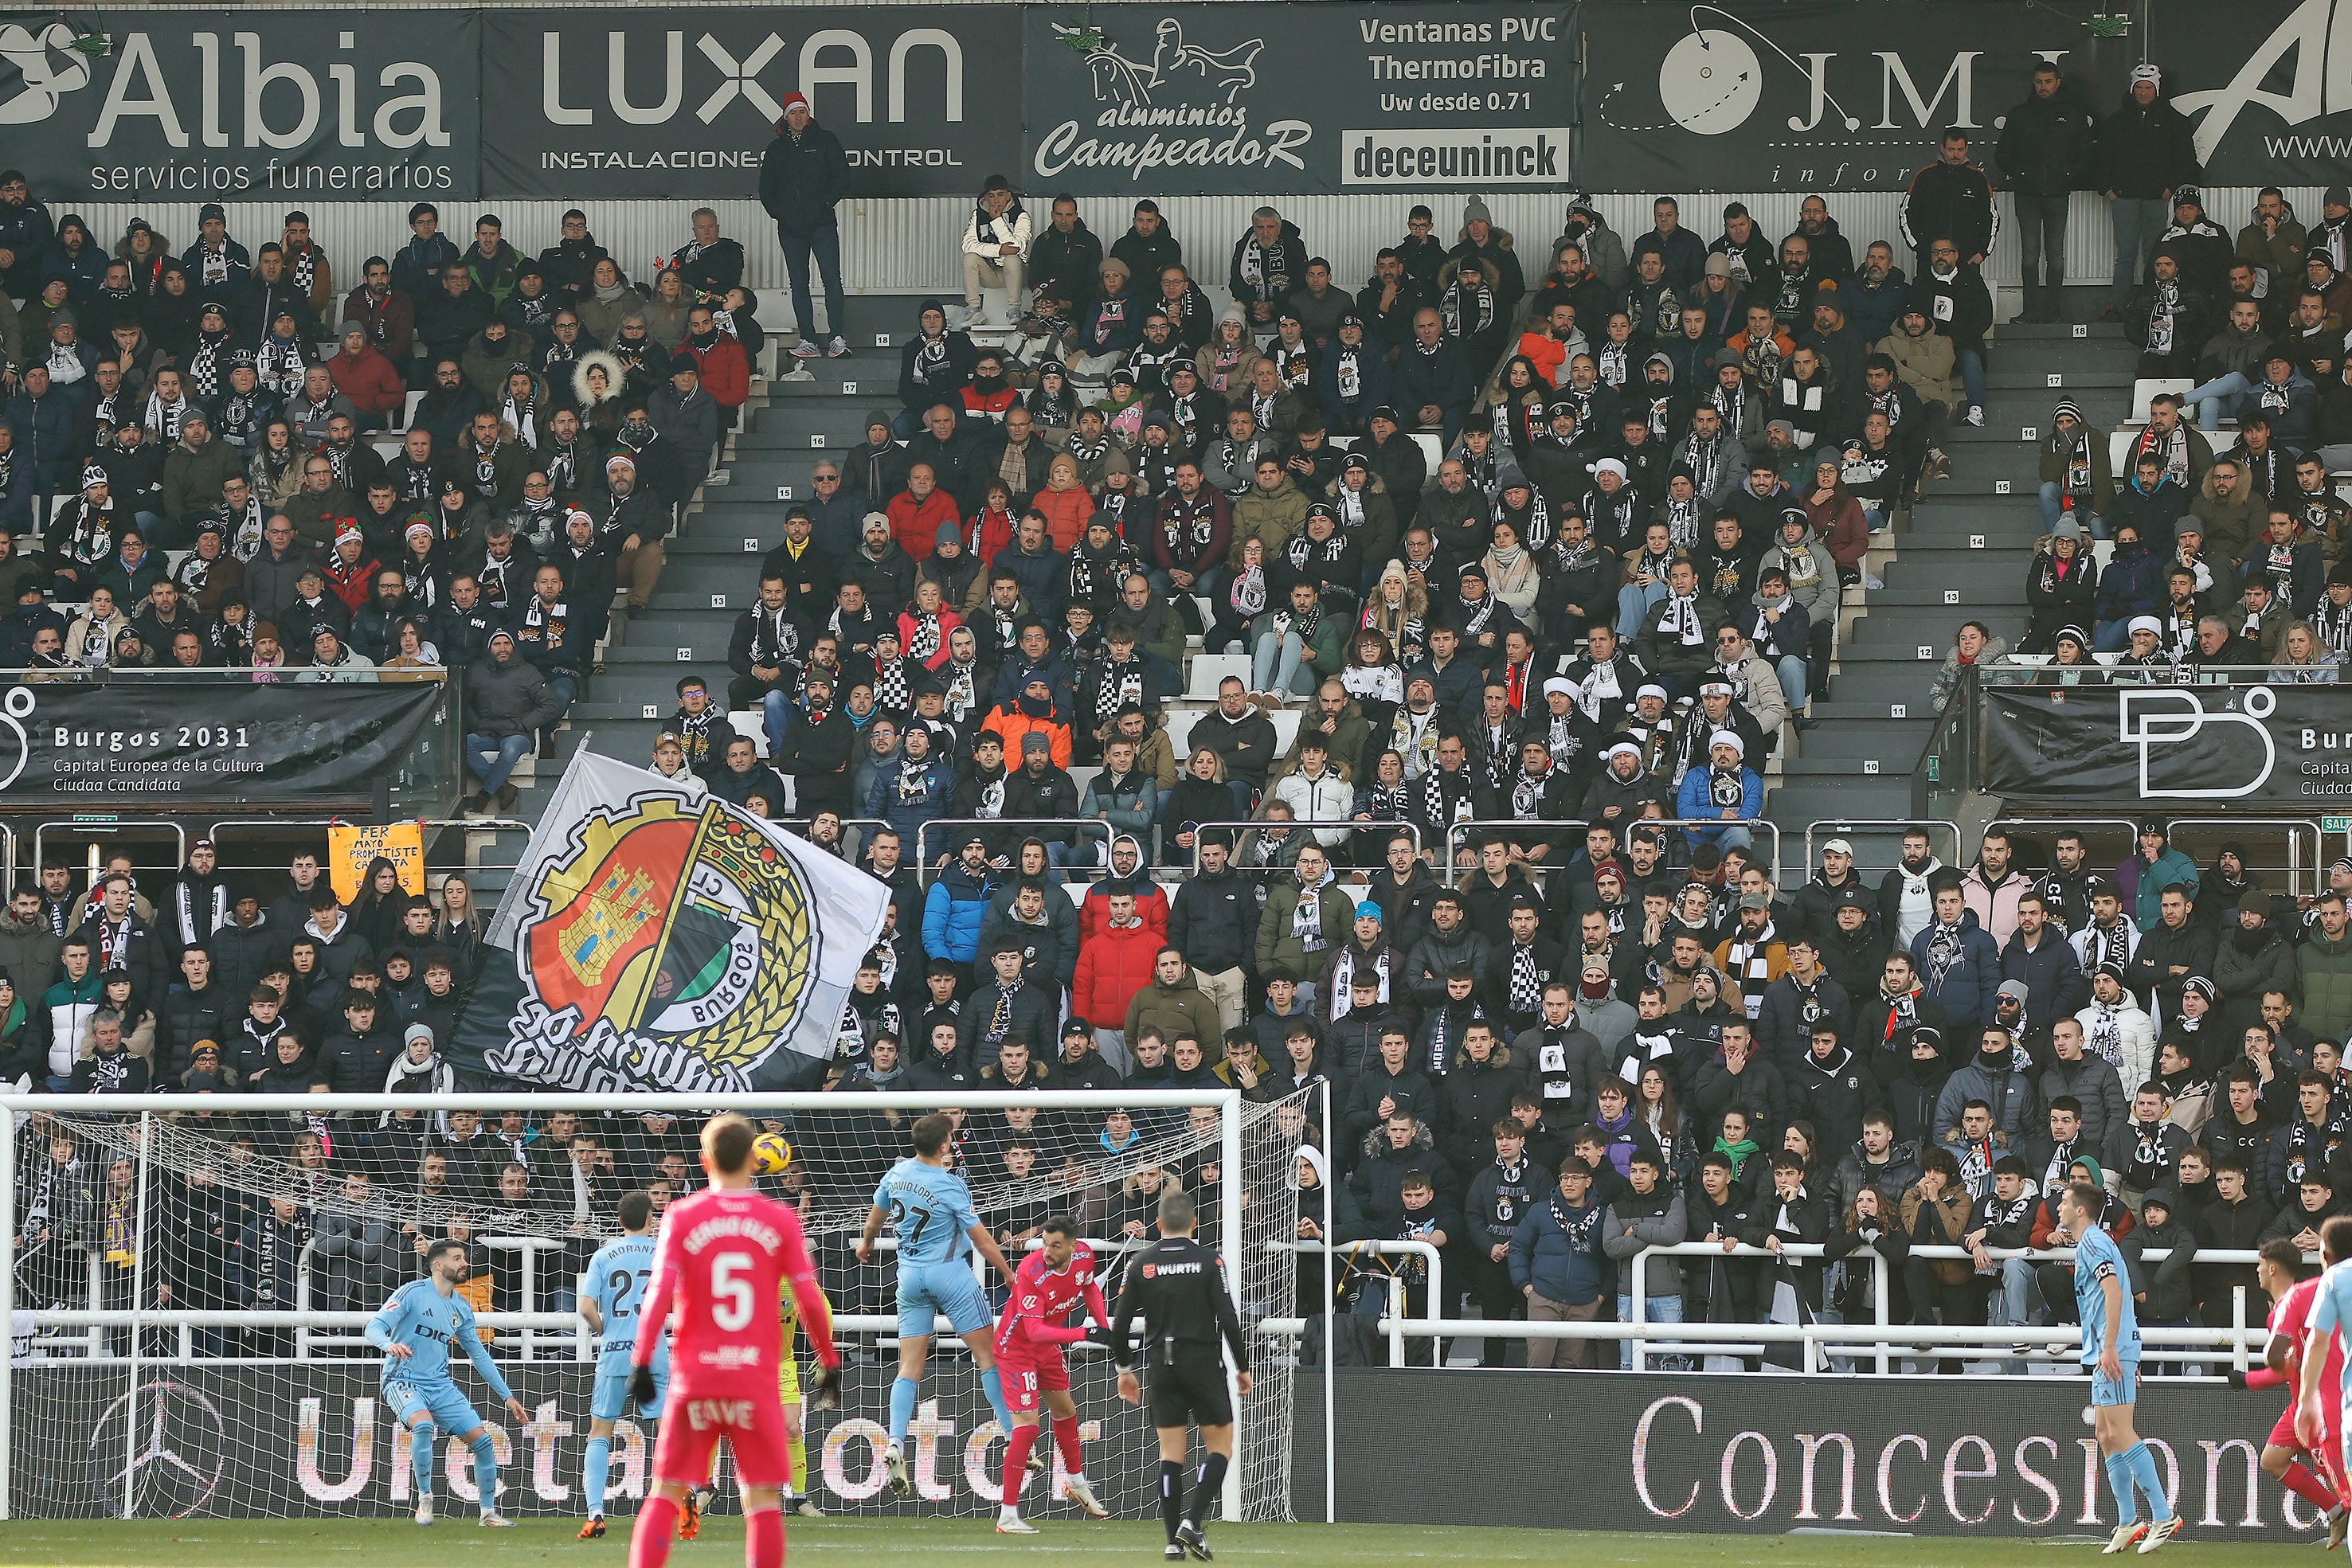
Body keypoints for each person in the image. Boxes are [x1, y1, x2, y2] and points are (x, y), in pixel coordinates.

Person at [626, 1114, 840, 1568]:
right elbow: (808, 1298)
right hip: (754, 1378)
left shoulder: (681, 1215)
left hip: (696, 1377)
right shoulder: (780, 1219)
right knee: (762, 1501)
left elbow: (657, 1296)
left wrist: (642, 1361)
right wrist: (828, 1359)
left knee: (665, 1490)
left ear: (703, 1161)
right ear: (754, 1158)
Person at [859, 1112, 1019, 1493]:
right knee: (988, 1356)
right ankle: (1014, 1436)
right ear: (945, 1145)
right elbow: (980, 1239)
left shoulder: (894, 1175)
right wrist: (1008, 1273)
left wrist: (866, 1244)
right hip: (949, 1274)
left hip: (909, 1277)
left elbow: (875, 1219)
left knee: (909, 1366)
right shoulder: (950, 1185)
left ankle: (896, 1440)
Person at [1110, 1186, 1254, 1563]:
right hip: (1202, 1362)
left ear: (1158, 1224)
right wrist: (1242, 1367)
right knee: (1220, 1447)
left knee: (1170, 1454)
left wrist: (1125, 1369)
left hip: (1161, 1364)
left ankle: (1173, 1543)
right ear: (1195, 1223)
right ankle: (1192, 1520)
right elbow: (1228, 1318)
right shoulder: (1210, 1262)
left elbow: (1121, 1324)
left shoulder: (1141, 1262)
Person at [366, 1237, 530, 1527]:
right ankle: (425, 1499)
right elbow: (374, 1326)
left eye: (464, 1258)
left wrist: (507, 1396)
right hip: (403, 1379)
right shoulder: (412, 1293)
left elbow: (478, 1355)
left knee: (483, 1442)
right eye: (457, 1258)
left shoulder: (462, 1308)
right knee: (424, 1425)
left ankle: (488, 1513)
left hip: (439, 1385)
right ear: (438, 1265)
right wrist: (388, 1344)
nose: (465, 1263)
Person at [2061, 1178, 2182, 1553]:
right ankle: (2129, 1521)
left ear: (2081, 1209)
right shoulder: (2094, 1242)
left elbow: (2113, 1291)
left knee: (2121, 1431)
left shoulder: (2094, 1242)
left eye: (2065, 1201)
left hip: (2110, 1348)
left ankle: (2164, 1516)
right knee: (2105, 1433)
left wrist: (2113, 1346)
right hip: (2107, 1348)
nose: (2059, 1207)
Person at [991, 1216, 1113, 1533]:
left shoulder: (1085, 1256)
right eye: (1045, 1243)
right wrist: (1081, 1334)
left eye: (1055, 1245)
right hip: (1017, 1349)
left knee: (1066, 1411)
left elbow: (1089, 1289)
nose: (1047, 1250)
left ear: (1073, 1245)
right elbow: (1032, 1330)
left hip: (1049, 1346)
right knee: (1028, 1428)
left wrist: (1102, 1325)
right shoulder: (1031, 1271)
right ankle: (1008, 1514)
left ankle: (1075, 1482)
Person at [576, 1190, 665, 1542]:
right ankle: (673, 1503)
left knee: (600, 1432)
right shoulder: (663, 1253)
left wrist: (607, 1329)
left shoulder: (602, 1255)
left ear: (618, 1220)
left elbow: (584, 1308)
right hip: (654, 1351)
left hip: (614, 1352)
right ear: (650, 1219)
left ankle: (596, 1513)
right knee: (667, 1432)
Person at [758, 92, 852, 359]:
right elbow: (766, 189)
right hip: (791, 229)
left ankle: (837, 338)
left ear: (808, 114)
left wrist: (824, 204)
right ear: (785, 117)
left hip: (821, 224)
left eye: (802, 112)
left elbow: (842, 176)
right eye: (792, 113)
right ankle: (808, 340)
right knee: (799, 283)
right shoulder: (776, 148)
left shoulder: (825, 140)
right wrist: (781, 215)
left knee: (832, 279)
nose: (798, 117)